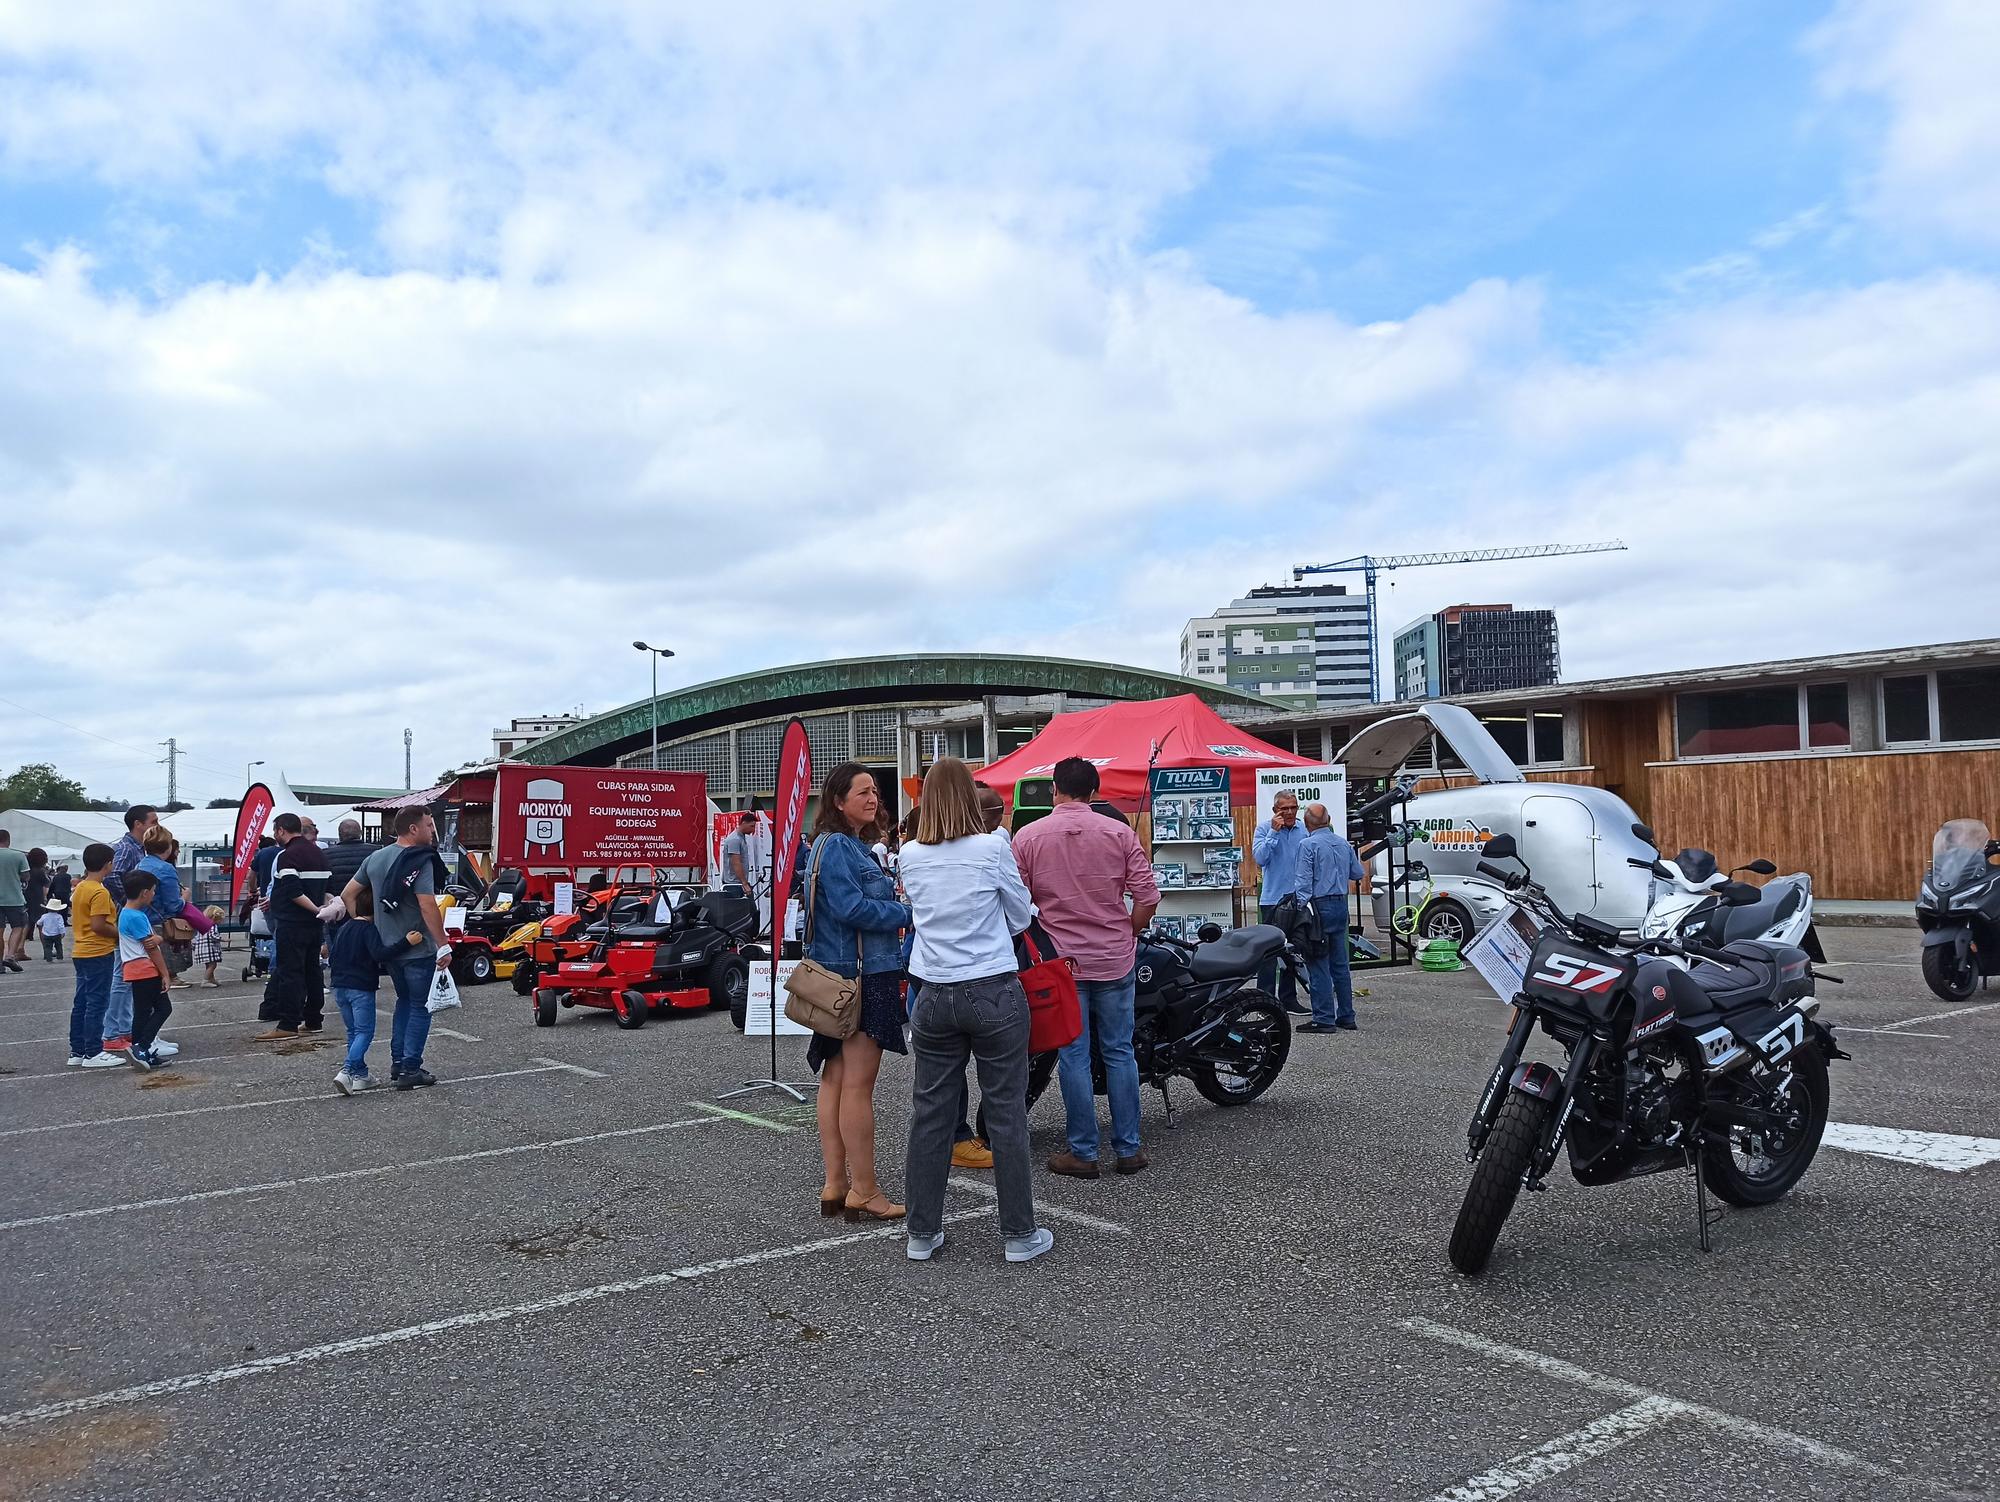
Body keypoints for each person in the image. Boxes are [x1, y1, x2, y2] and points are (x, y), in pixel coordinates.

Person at [896, 757, 1052, 1264]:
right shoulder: (992, 846)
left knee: (930, 1114)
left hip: (933, 992)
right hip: (991, 988)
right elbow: (1017, 912)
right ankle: (1018, 1235)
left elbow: (917, 911)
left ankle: (922, 1232)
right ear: (969, 797)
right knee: (1005, 1111)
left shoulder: (909, 853)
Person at [1012, 756, 1160, 1180]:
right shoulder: (1119, 832)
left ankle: (1083, 1152)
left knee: (1073, 1055)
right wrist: (1128, 932)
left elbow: (1018, 903)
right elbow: (1147, 897)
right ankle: (1129, 1149)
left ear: (1055, 790)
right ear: (1095, 792)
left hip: (1061, 963)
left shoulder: (1029, 836)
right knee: (1119, 1050)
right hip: (1115, 956)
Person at [802, 762, 913, 1224]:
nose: (873, 799)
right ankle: (864, 1190)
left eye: (875, 792)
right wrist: (903, 910)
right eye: (863, 792)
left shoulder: (827, 846)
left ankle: (836, 1185)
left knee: (834, 1079)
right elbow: (852, 908)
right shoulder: (844, 848)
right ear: (838, 800)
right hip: (863, 976)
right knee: (857, 1086)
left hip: (837, 976)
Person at [341, 807, 454, 1090]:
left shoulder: (375, 857)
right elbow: (427, 904)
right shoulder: (419, 860)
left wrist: (363, 922)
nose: (432, 831)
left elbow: (347, 893)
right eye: (429, 825)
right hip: (418, 948)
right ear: (413, 829)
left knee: (404, 1002)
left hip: (389, 947)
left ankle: (398, 1062)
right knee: (420, 1007)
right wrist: (443, 944)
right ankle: (410, 1068)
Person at [326, 892, 425, 1095]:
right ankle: (347, 1070)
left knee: (353, 1031)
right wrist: (406, 942)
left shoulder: (345, 927)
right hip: (360, 987)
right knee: (364, 1032)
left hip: (339, 986)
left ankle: (361, 1075)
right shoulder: (368, 929)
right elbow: (379, 954)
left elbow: (333, 954)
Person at [1291, 803, 1366, 1034]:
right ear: (1329, 818)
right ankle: (1346, 1015)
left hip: (1318, 906)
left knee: (1317, 962)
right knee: (1340, 964)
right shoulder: (1343, 843)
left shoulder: (1307, 844)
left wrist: (1299, 912)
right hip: (1340, 904)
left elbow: (1303, 883)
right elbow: (1358, 873)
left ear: (1306, 823)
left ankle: (1323, 1018)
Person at [255, 813, 331, 1040]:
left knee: (290, 973)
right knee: (313, 971)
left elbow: (293, 891)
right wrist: (321, 910)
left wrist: (314, 909)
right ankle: (314, 1019)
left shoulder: (287, 856)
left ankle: (288, 1024)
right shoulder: (318, 853)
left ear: (280, 830)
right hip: (314, 926)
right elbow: (327, 888)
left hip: (292, 922)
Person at [99, 805, 159, 1052]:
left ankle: (125, 1031)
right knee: (121, 977)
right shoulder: (125, 849)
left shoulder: (138, 848)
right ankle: (112, 1033)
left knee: (127, 978)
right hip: (128, 920)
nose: (156, 825)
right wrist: (130, 901)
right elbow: (113, 876)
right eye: (153, 821)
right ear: (138, 824)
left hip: (132, 918)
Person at [69, 844, 124, 1068]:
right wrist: (120, 934)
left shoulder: (81, 887)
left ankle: (78, 1050)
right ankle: (93, 1052)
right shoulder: (100, 891)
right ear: (108, 864)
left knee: (81, 1002)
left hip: (81, 950)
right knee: (97, 1002)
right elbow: (99, 925)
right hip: (97, 951)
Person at [1252, 791, 1307, 1014]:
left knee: (1293, 952)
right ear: (1276, 810)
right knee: (1269, 955)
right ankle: (1265, 1000)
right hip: (1273, 900)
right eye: (1285, 808)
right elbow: (1260, 858)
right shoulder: (1264, 829)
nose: (1290, 812)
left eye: (1294, 807)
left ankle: (1288, 999)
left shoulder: (1303, 829)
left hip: (1298, 900)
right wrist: (1274, 833)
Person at [115, 870, 173, 1071]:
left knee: (141, 1013)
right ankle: (142, 1046)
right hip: (146, 968)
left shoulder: (126, 912)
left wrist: (156, 939)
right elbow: (151, 947)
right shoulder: (137, 917)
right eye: (153, 891)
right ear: (144, 893)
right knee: (164, 1008)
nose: (154, 895)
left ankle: (141, 1051)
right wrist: (165, 973)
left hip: (134, 968)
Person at [0, 829, 29, 973]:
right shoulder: (18, 855)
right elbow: (25, 876)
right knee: (17, 928)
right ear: (8, 840)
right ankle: (10, 956)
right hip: (14, 898)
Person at [14, 847, 50, 962]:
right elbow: (45, 887)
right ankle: (47, 949)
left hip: (24, 898)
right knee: (41, 924)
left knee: (25, 924)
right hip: (37, 899)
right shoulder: (40, 871)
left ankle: (20, 949)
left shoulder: (24, 870)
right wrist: (45, 898)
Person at [323, 819, 373, 892]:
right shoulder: (376, 852)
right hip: (367, 900)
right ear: (361, 833)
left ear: (339, 834)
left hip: (336, 899)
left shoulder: (326, 854)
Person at [721, 812, 757, 895]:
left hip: (738, 883)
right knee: (738, 907)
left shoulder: (741, 838)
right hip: (733, 884)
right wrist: (744, 883)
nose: (753, 830)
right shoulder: (734, 839)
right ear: (743, 823)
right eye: (751, 826)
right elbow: (736, 863)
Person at [192, 906, 225, 986]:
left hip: (202, 949)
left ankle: (211, 979)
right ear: (215, 918)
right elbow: (213, 936)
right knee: (213, 965)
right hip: (209, 949)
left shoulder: (202, 924)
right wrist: (222, 939)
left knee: (208, 965)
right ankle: (205, 980)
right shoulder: (212, 925)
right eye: (220, 920)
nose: (221, 921)